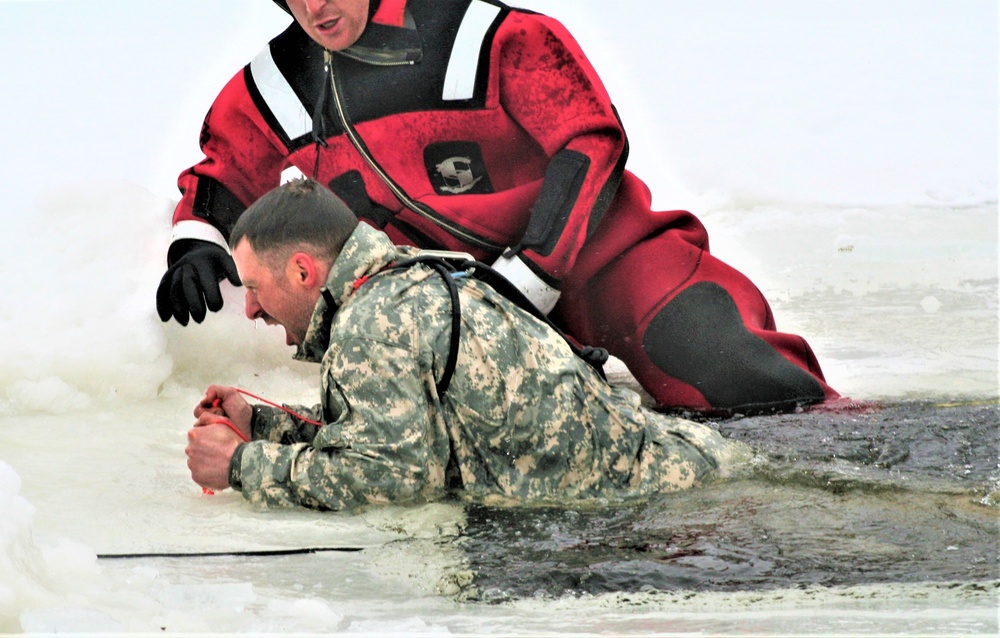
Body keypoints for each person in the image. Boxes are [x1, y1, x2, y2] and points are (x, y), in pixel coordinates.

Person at [160, 0, 839, 415]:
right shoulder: (276, 83)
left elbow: (591, 145)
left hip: (600, 262)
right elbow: (220, 177)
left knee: (725, 363)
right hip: (454, 318)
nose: (314, 8)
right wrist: (195, 243)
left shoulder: (496, 38)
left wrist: (533, 271)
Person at [185, 178, 733, 510]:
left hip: (669, 497)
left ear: (303, 270)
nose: (251, 308)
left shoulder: (374, 323)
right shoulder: (393, 284)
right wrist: (261, 425)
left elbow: (391, 477)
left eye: (255, 287)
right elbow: (392, 428)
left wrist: (241, 466)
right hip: (675, 463)